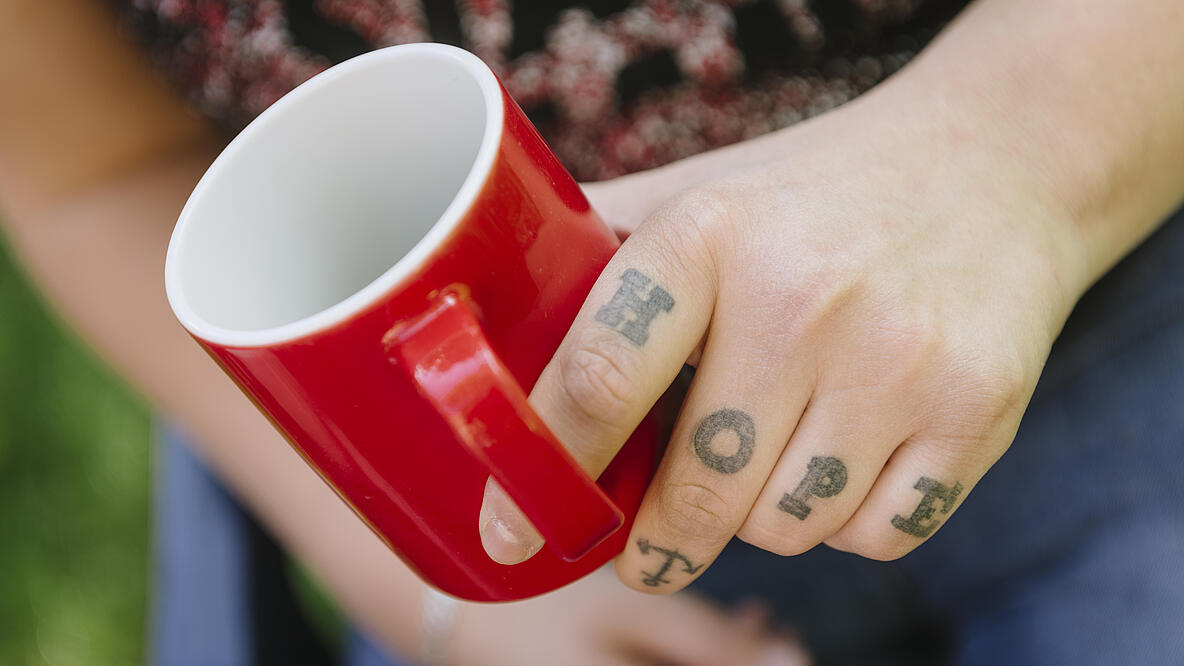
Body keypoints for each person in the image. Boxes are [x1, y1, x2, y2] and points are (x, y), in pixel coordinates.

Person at [2, 1, 1182, 664]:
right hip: (504, 530)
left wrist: (1016, 156)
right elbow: (96, 170)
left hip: (1114, 311)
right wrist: (455, 601)